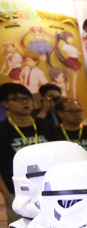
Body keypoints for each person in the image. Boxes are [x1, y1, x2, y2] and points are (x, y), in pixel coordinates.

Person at [0, 81, 50, 213]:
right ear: (5, 103)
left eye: (27, 98)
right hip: (18, 194)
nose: (25, 102)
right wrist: (7, 195)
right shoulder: (2, 130)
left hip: (50, 190)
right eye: (17, 99)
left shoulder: (45, 125)